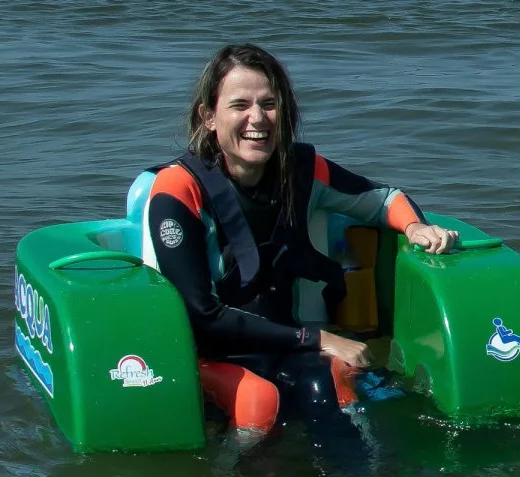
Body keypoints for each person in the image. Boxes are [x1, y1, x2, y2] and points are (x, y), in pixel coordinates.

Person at [140, 43, 458, 443]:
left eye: (269, 104)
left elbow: (383, 199)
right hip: (212, 355)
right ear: (209, 117)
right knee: (257, 400)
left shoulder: (302, 170)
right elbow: (200, 315)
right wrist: (318, 338)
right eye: (240, 105)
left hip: (289, 347)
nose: (258, 118)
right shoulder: (178, 188)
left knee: (331, 389)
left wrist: (416, 228)